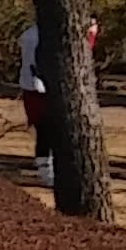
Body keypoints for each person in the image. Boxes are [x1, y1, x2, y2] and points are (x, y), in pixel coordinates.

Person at [20, 19, 98, 187]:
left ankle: (46, 169)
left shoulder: (29, 34)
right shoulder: (48, 36)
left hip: (32, 87)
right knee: (49, 130)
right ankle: (46, 171)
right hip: (43, 88)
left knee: (45, 130)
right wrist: (90, 35)